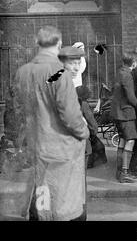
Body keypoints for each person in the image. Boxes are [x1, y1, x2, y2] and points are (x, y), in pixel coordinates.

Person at [13, 26, 89, 221]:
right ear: (59, 44)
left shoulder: (22, 72)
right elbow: (71, 116)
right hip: (61, 150)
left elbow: (18, 110)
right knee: (66, 204)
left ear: (37, 44)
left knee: (43, 197)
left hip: (37, 146)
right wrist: (84, 132)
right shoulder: (59, 74)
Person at [111, 50, 137, 183]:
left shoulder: (119, 72)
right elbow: (131, 97)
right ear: (134, 63)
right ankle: (125, 172)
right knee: (130, 140)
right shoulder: (128, 75)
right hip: (126, 113)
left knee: (123, 139)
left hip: (117, 112)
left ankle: (119, 170)